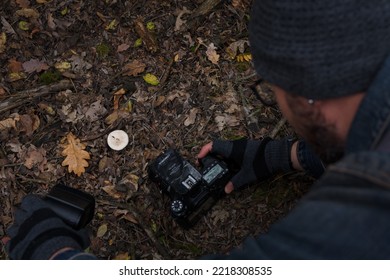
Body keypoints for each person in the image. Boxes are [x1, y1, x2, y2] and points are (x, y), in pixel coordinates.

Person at [5, 0, 390, 259]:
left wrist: (53, 256)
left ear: (310, 97)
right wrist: (294, 155)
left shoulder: (361, 221)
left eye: (272, 89)